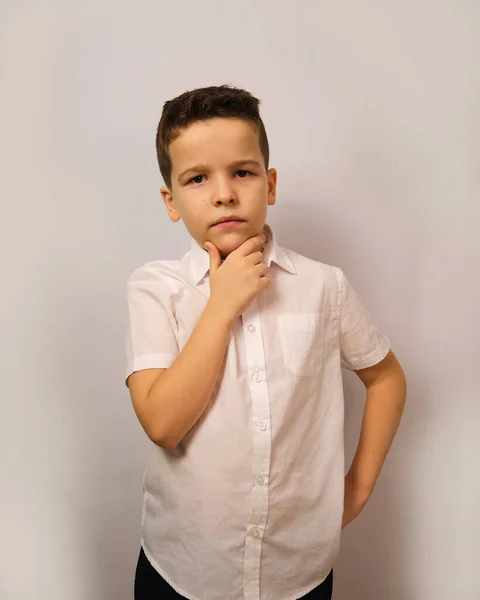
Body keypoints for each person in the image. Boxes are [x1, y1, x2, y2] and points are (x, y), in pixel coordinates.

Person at [125, 85, 406, 600]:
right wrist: (222, 303)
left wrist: (357, 488)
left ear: (270, 184)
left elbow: (385, 376)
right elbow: (163, 424)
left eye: (243, 172)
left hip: (296, 573)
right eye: (197, 178)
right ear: (171, 200)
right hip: (184, 570)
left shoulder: (324, 286)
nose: (224, 193)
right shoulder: (155, 288)